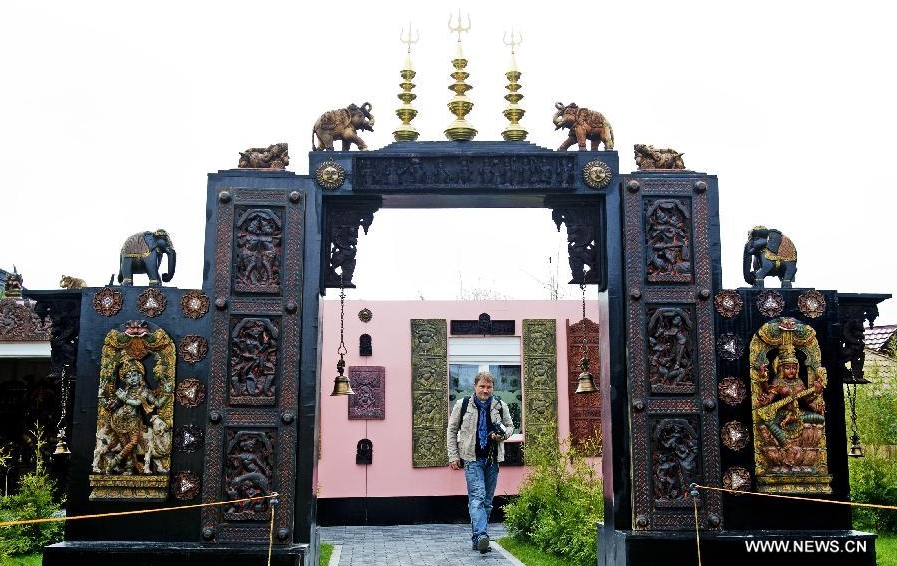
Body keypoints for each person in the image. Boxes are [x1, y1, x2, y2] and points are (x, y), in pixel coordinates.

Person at [446, 371, 514, 554]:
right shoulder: (462, 405)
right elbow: (451, 431)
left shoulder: (500, 405)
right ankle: (483, 535)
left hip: (492, 459)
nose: (485, 390)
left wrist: (502, 435)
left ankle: (477, 539)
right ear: (475, 386)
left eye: (489, 387)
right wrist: (453, 456)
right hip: (471, 459)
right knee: (477, 497)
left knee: (488, 501)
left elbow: (510, 427)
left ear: (493, 388)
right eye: (482, 386)